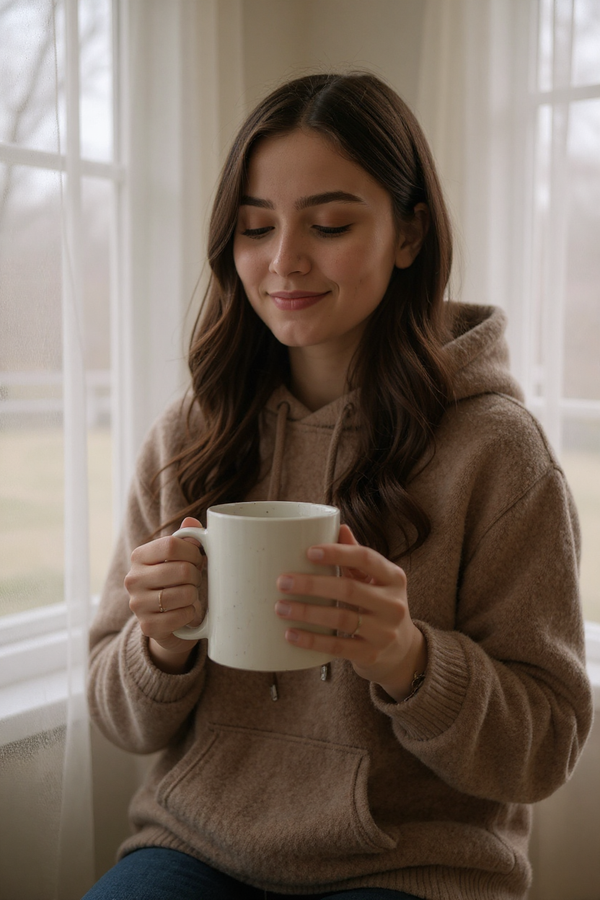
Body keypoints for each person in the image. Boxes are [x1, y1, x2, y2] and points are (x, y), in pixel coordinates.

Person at [85, 73, 593, 900]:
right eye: (256, 227)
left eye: (328, 223)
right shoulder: (191, 434)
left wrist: (410, 659)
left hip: (415, 867)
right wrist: (160, 643)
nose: (284, 260)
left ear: (409, 233)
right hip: (193, 851)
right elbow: (117, 714)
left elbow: (546, 745)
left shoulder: (498, 452)